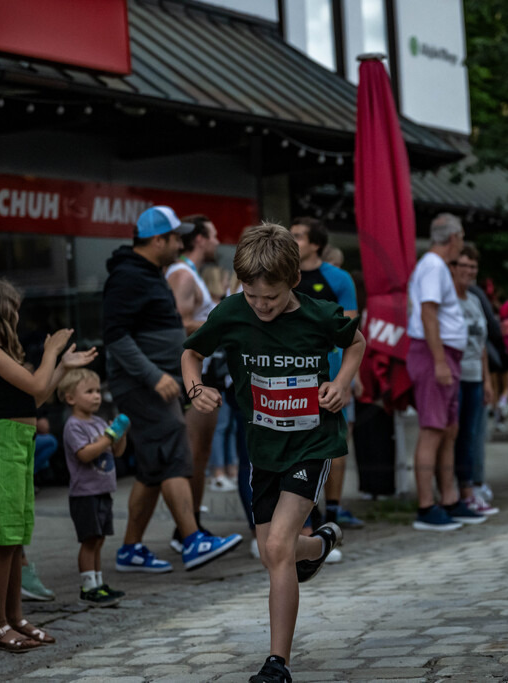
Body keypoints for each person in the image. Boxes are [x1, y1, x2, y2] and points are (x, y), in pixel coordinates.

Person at [181, 223, 365, 683]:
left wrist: (340, 385)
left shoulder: (320, 315)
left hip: (312, 442)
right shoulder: (232, 312)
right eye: (253, 295)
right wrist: (195, 388)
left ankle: (276, 664)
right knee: (273, 553)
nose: (261, 306)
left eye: (272, 297)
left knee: (279, 546)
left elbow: (356, 342)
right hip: (263, 447)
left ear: (294, 282)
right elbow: (191, 354)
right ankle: (322, 542)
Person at [103, 206, 241, 574]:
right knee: (173, 446)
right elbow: (115, 336)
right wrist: (154, 376)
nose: (181, 244)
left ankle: (131, 548)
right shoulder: (128, 276)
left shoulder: (147, 273)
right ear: (158, 240)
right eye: (176, 238)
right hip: (144, 383)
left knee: (153, 469)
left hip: (158, 379)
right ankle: (193, 539)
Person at [0, 278, 97, 650]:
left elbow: (33, 400)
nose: (18, 314)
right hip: (0, 443)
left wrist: (62, 363)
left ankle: (15, 617)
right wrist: (52, 350)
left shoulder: (3, 352)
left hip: (19, 440)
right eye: (13, 307)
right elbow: (38, 388)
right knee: (5, 538)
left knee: (17, 539)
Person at [406, 214, 486, 530]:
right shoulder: (432, 266)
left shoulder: (436, 267)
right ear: (453, 238)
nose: (462, 243)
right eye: (462, 237)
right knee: (433, 429)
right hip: (433, 354)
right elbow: (428, 313)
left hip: (445, 354)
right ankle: (426, 505)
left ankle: (450, 498)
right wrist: (439, 360)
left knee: (448, 429)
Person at [290, 217, 363, 530]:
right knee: (297, 444)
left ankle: (332, 510)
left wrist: (347, 379)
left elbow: (349, 328)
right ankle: (306, 513)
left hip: (330, 373)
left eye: (298, 237)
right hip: (290, 375)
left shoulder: (338, 278)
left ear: (315, 244)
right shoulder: (283, 277)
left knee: (333, 442)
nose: (292, 241)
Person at [165, 214, 222, 550]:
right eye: (213, 235)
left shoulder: (191, 274)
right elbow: (178, 324)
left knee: (200, 454)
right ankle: (184, 531)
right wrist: (221, 325)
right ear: (199, 238)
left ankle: (192, 525)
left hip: (205, 369)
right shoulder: (183, 275)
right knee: (192, 454)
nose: (217, 241)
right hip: (192, 372)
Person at [58, 368, 128, 607]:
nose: (97, 396)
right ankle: (89, 587)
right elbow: (85, 455)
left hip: (102, 491)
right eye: (89, 391)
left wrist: (120, 436)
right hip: (84, 494)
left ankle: (98, 583)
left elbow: (116, 452)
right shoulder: (73, 426)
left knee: (99, 539)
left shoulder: (99, 422)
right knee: (89, 540)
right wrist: (108, 438)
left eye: (98, 391)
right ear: (70, 398)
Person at [452, 245, 497, 515]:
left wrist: (488, 381)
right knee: (458, 437)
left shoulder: (474, 300)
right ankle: (462, 491)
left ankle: (469, 488)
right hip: (455, 377)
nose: (469, 271)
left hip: (475, 377)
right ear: (454, 268)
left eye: (473, 267)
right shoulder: (449, 301)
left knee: (471, 435)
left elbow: (481, 345)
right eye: (464, 265)